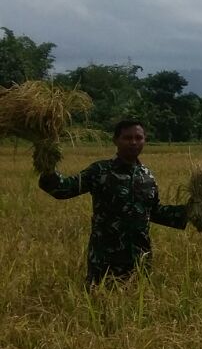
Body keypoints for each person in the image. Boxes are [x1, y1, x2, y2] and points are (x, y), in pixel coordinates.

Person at [38, 119, 189, 286]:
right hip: (104, 260)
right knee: (99, 307)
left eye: (138, 138)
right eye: (127, 137)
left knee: (137, 309)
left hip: (139, 260)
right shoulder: (99, 171)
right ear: (115, 140)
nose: (133, 142)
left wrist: (190, 211)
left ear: (145, 140)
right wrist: (46, 163)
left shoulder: (147, 176)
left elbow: (153, 212)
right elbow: (63, 189)